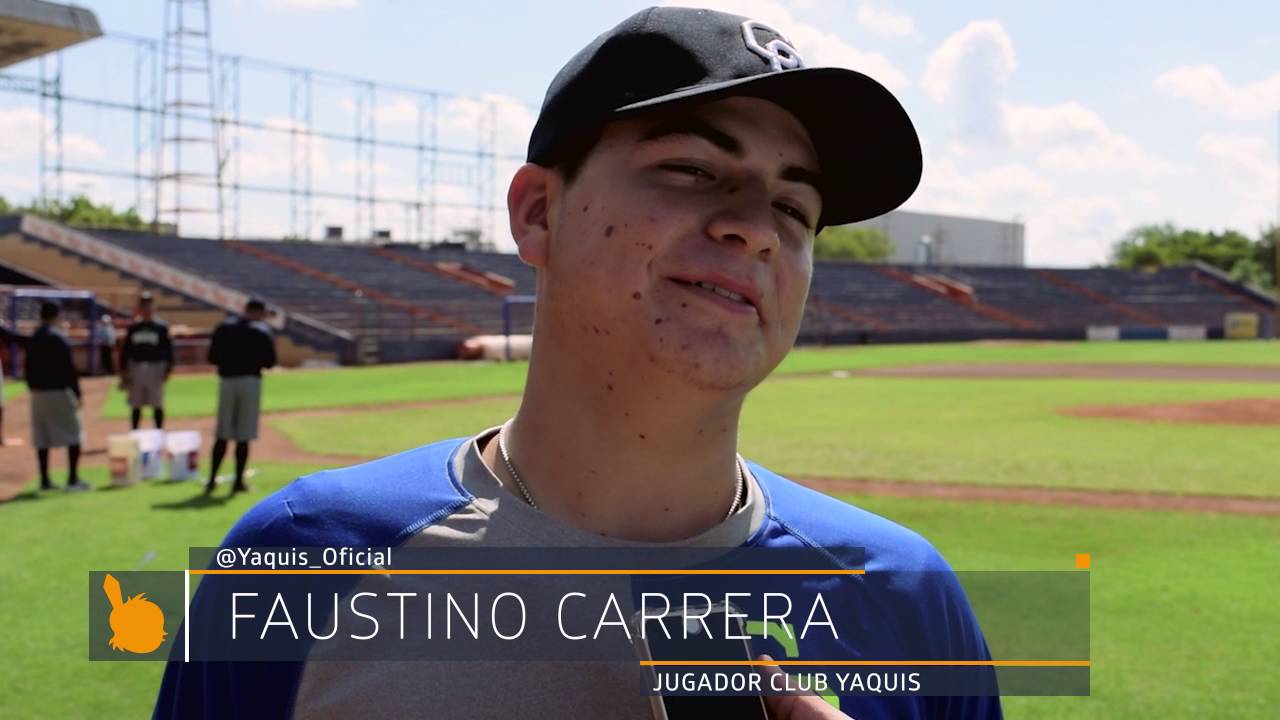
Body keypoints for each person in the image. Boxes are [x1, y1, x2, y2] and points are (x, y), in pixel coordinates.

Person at [155, 8, 999, 719]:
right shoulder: (301, 559)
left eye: (794, 204)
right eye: (693, 169)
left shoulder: (906, 596)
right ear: (537, 214)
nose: (758, 226)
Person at [204, 299, 276, 495]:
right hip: (250, 382)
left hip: (227, 381)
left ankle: (211, 481)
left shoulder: (224, 328)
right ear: (259, 312)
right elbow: (270, 362)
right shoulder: (261, 331)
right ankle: (237, 482)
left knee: (222, 434)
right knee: (243, 435)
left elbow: (212, 356)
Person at [26, 301, 87, 491]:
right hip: (58, 391)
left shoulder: (35, 337)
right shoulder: (59, 338)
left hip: (38, 393)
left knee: (42, 437)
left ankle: (44, 481)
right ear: (57, 316)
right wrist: (77, 393)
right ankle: (73, 479)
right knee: (74, 434)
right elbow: (69, 370)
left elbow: (27, 366)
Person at [120, 292, 174, 430]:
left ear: (153, 308)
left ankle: (158, 433)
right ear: (140, 309)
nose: (146, 309)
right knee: (136, 404)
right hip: (136, 367)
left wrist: (169, 368)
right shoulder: (133, 328)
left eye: (149, 306)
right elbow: (126, 350)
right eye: (143, 306)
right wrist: (123, 370)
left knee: (157, 403)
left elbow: (169, 350)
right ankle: (135, 432)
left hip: (156, 367)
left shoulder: (161, 328)